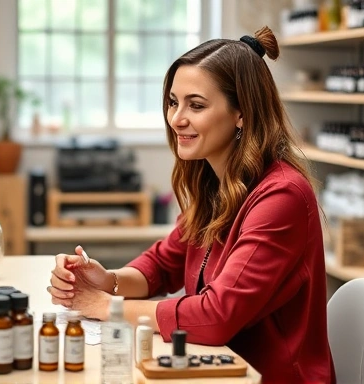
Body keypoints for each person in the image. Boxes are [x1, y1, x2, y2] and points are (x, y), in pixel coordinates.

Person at [48, 26, 335, 384]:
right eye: (173, 102)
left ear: (241, 113)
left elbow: (216, 316)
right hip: (221, 368)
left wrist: (106, 305)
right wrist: (108, 280)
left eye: (195, 105)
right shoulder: (214, 183)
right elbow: (161, 265)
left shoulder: (282, 196)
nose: (176, 118)